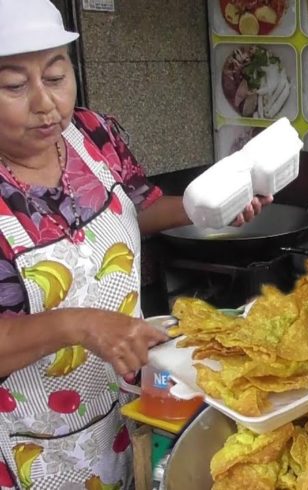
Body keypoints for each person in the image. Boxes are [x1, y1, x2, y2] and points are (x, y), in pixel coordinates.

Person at [0, 1, 272, 488]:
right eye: (15, 86)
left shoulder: (93, 134)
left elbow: (136, 208)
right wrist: (79, 325)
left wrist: (204, 207)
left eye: (56, 76)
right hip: (30, 442)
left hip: (126, 406)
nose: (45, 103)